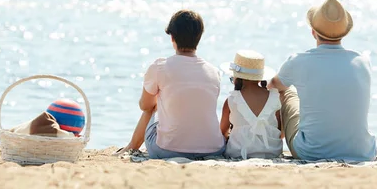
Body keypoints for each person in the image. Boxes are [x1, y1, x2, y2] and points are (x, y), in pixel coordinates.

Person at [268, 0, 377, 161]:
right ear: (344, 33)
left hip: (311, 152)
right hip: (362, 152)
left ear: (313, 32)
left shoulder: (299, 61)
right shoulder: (362, 62)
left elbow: (273, 86)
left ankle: (271, 144)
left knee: (287, 91)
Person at [120, 9, 226, 158]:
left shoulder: (159, 67)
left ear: (172, 37)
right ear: (199, 37)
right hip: (213, 149)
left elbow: (145, 106)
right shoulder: (214, 72)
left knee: (154, 105)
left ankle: (131, 147)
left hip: (168, 149)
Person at [220, 50, 284, 159]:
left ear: (237, 77)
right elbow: (279, 131)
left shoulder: (232, 100)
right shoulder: (274, 98)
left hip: (238, 153)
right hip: (272, 153)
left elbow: (222, 132)